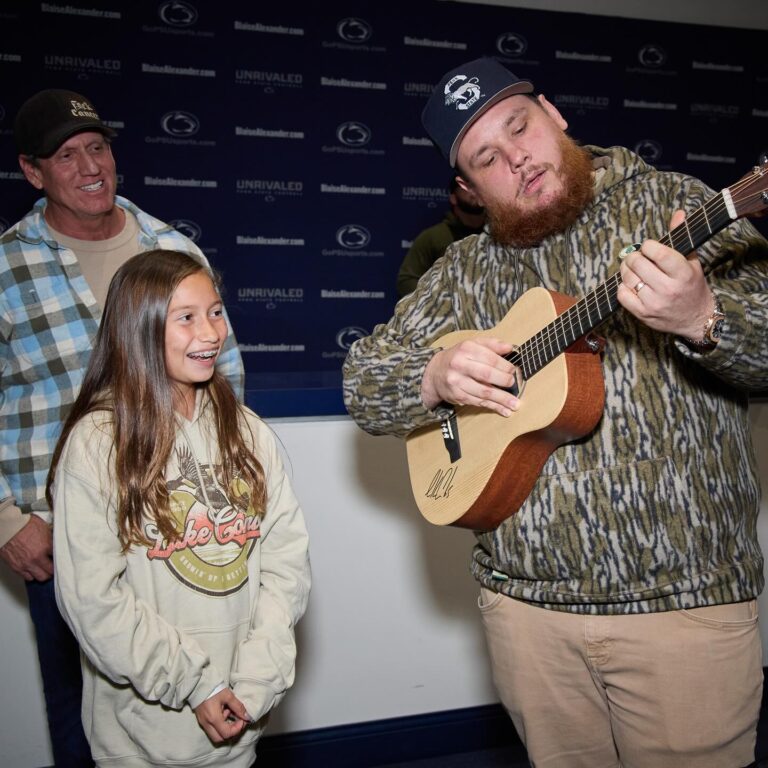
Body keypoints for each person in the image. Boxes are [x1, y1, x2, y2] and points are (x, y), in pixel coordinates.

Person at [342, 56, 768, 768]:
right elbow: (363, 383)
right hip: (527, 620)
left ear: (556, 115)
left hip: (684, 608)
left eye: (521, 127)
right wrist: (434, 373)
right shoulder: (461, 272)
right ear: (468, 187)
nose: (518, 159)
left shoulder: (672, 205)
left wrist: (704, 317)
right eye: (487, 158)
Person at [0, 88, 245, 766]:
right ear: (32, 171)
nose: (89, 167)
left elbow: (229, 376)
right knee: (84, 709)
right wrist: (3, 518)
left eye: (98, 148)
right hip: (58, 534)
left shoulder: (172, 246)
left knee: (203, 689)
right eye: (66, 155)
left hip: (185, 527)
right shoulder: (5, 266)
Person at [46, 249, 310, 767]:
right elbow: (94, 601)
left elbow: (286, 564)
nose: (211, 333)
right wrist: (195, 682)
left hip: (238, 726)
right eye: (186, 318)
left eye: (215, 312)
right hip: (141, 741)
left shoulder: (248, 431)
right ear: (138, 329)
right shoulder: (97, 442)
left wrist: (256, 678)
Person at [396, 175, 485, 296]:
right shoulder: (434, 237)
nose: (474, 191)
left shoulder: (500, 235)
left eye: (478, 186)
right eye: (466, 186)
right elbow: (406, 281)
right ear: (453, 198)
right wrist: (441, 300)